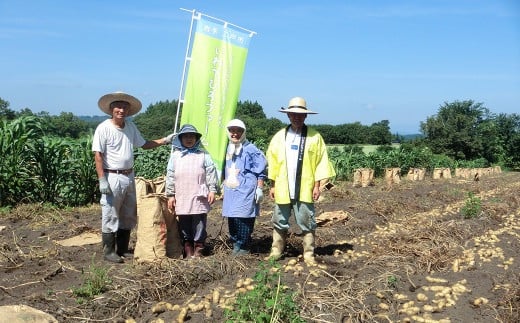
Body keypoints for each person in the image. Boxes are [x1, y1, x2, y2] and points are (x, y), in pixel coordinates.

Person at [92, 91, 175, 263]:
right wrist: (102, 179)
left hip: (129, 175)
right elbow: (98, 155)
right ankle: (109, 251)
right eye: (118, 107)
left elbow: (144, 144)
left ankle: (122, 248)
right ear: (111, 109)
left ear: (128, 111)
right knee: (111, 213)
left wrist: (164, 140)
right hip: (112, 176)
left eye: (124, 108)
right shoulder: (103, 128)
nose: (121, 110)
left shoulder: (130, 127)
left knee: (128, 213)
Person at [266, 97, 336, 265]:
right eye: (293, 114)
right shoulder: (279, 137)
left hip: (306, 186)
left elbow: (321, 162)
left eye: (300, 115)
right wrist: (273, 185)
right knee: (279, 220)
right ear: (288, 115)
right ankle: (276, 251)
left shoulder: (314, 137)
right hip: (283, 186)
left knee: (307, 220)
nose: (296, 117)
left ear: (306, 116)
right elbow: (272, 161)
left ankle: (309, 254)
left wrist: (318, 185)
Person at [165, 124, 218, 259]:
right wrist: (171, 195)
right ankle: (188, 249)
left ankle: (198, 248)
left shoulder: (203, 155)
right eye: (186, 136)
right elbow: (170, 176)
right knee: (184, 223)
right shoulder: (176, 156)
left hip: (199, 194)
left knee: (199, 223)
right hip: (182, 195)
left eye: (192, 136)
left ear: (196, 139)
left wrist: (212, 190)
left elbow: (211, 173)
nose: (189, 139)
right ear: (181, 139)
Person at [222, 119, 267, 256]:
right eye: (232, 131)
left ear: (243, 132)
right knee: (233, 217)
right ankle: (236, 243)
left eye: (238, 131)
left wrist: (259, 187)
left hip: (246, 190)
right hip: (231, 190)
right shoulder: (226, 148)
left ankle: (244, 246)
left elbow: (261, 169)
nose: (235, 134)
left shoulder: (250, 149)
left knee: (244, 218)